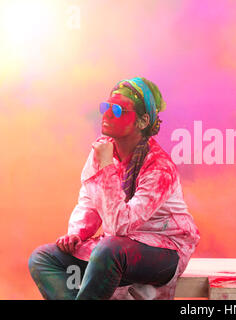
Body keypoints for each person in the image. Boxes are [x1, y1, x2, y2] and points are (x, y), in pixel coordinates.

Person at [28, 77, 200, 300]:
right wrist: (77, 233)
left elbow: (121, 226)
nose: (107, 114)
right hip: (116, 250)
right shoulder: (102, 150)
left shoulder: (160, 168)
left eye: (118, 110)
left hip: (164, 251)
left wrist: (108, 166)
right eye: (106, 107)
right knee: (42, 258)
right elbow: (90, 199)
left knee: (109, 250)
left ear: (142, 121)